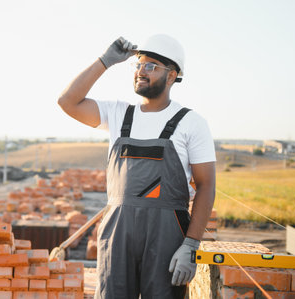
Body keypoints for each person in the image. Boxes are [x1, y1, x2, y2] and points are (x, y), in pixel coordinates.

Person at [58, 35, 216, 299]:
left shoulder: (191, 123)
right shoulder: (119, 114)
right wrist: (105, 61)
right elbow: (67, 102)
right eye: (139, 64)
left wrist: (190, 244)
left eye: (151, 66)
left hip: (167, 235)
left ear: (171, 75)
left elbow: (207, 185)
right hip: (118, 233)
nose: (141, 70)